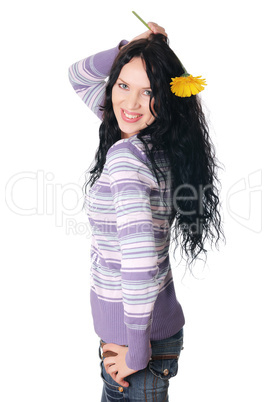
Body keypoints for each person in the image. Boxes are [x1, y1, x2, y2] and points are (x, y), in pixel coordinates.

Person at [68, 22, 223, 402]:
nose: (130, 103)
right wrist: (131, 48)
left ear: (166, 98)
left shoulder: (127, 159)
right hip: (141, 336)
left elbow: (139, 264)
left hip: (138, 346)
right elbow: (77, 76)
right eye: (123, 85)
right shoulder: (156, 141)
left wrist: (137, 350)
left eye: (148, 91)